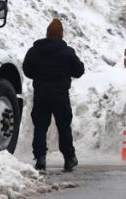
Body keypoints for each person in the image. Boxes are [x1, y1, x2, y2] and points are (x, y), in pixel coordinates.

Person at [22, 18, 85, 172]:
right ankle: (69, 158)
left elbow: (26, 69)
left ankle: (40, 158)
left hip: (41, 94)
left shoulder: (35, 50)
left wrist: (39, 76)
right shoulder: (67, 52)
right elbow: (79, 70)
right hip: (60, 95)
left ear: (47, 34)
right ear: (61, 35)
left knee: (40, 126)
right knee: (63, 126)